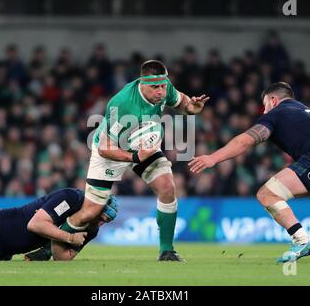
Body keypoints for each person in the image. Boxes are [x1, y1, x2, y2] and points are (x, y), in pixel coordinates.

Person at [189, 82, 310, 263]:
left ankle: (301, 240)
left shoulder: (277, 113)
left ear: (273, 100)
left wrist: (213, 158)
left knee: (267, 194)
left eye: (265, 104)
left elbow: (245, 141)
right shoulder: (303, 110)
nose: (264, 110)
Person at [63, 60, 209, 262]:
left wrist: (194, 107)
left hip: (144, 143)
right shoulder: (121, 103)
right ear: (142, 83)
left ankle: (167, 251)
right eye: (155, 87)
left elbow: (183, 103)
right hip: (113, 148)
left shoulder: (165, 89)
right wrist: (133, 157)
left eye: (163, 86)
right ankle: (49, 244)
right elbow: (106, 148)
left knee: (167, 187)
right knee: (91, 212)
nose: (160, 92)